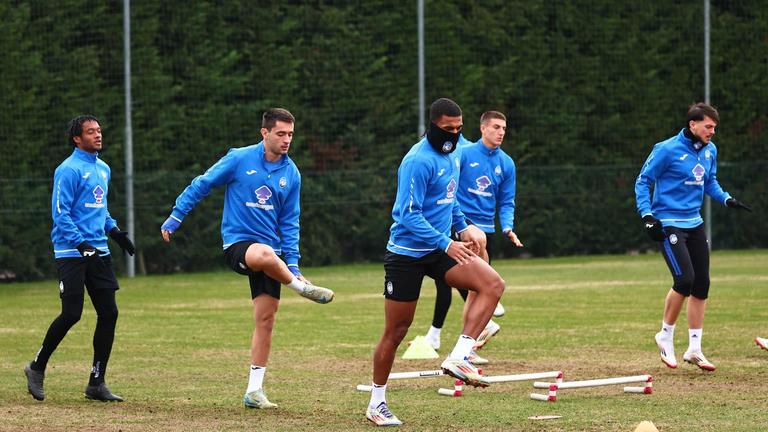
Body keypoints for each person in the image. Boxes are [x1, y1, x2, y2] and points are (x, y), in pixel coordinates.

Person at [160, 108, 334, 409]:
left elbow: (290, 222)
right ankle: (301, 289)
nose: (287, 140)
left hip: (275, 257)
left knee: (265, 319)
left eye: (290, 134)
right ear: (264, 133)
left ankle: (254, 391)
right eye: (280, 133)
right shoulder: (239, 158)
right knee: (264, 253)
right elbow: (203, 183)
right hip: (240, 246)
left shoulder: (291, 173)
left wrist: (292, 263)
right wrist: (176, 216)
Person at [366, 98, 506, 426]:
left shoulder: (454, 154)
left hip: (440, 249)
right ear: (432, 126)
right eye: (447, 129)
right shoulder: (417, 161)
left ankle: (458, 358)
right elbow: (406, 214)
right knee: (397, 330)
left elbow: (449, 198)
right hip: (406, 254)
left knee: (493, 284)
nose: (454, 135)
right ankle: (376, 402)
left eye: (458, 129)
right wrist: (447, 242)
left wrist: (463, 227)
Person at [24, 115, 135, 402]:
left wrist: (115, 232)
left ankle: (96, 383)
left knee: (109, 313)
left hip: (98, 252)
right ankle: (36, 367)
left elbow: (100, 209)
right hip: (71, 252)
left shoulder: (103, 169)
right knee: (72, 313)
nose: (98, 135)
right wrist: (80, 243)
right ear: (77, 138)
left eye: (99, 130)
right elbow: (60, 214)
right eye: (91, 132)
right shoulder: (68, 169)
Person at [635, 103, 752, 372]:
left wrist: (726, 199)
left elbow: (709, 181)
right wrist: (647, 216)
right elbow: (642, 181)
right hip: (669, 224)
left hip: (694, 223)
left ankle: (694, 349)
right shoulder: (665, 149)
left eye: (714, 127)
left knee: (702, 285)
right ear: (693, 125)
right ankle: (664, 335)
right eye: (708, 127)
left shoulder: (710, 150)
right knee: (684, 280)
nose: (712, 132)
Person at [423, 111, 523, 365]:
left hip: (486, 231)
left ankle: (467, 344)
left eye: (504, 128)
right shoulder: (464, 154)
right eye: (496, 127)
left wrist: (508, 227)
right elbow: (449, 187)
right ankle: (473, 333)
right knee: (472, 285)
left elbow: (507, 200)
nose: (501, 132)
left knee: (475, 287)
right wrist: (456, 221)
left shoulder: (507, 163)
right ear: (483, 128)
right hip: (462, 227)